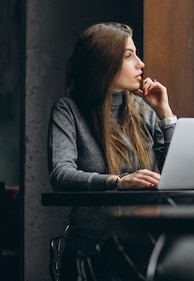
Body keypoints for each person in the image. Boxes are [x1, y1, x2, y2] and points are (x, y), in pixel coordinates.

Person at [47, 22, 177, 281]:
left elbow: (178, 171)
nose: (141, 64)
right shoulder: (69, 109)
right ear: (103, 63)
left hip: (145, 250)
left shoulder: (142, 109)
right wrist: (117, 182)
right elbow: (60, 174)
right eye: (129, 56)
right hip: (91, 253)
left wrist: (165, 114)